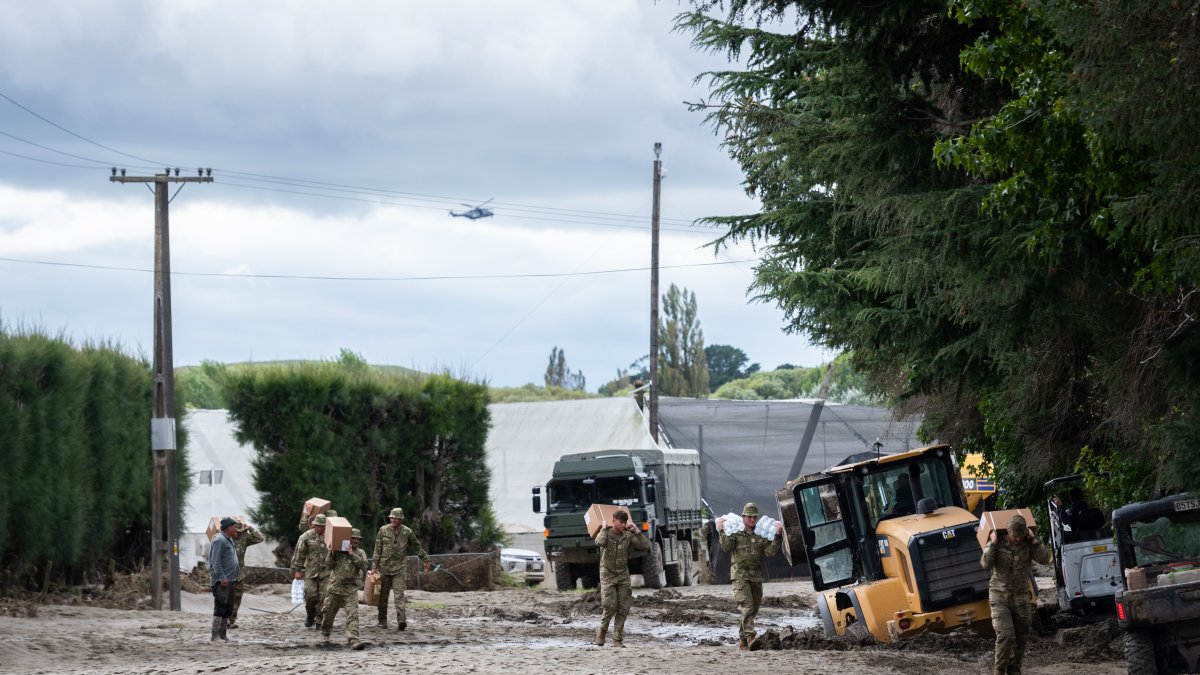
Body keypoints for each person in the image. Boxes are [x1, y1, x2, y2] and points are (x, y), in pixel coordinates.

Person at [980, 513, 1051, 675]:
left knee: (1021, 636)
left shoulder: (1028, 543)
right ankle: (999, 670)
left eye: (1021, 536)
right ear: (1008, 532)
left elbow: (1045, 559)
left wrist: (1034, 541)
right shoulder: (997, 541)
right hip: (1000, 595)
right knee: (1005, 635)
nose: (1017, 539)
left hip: (1021, 597)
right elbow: (985, 563)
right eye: (1014, 536)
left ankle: (1014, 670)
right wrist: (993, 543)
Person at [717, 502, 783, 651]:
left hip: (756, 577)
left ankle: (742, 641)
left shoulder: (762, 534)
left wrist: (778, 536)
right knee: (747, 607)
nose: (752, 520)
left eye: (754, 517)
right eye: (749, 517)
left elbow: (770, 552)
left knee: (752, 610)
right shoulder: (736, 533)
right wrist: (721, 531)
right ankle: (751, 638)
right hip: (740, 576)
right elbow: (726, 547)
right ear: (744, 517)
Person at [594, 509, 649, 647]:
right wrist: (602, 527)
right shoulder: (605, 533)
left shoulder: (628, 536)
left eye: (625, 522)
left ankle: (617, 640)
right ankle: (602, 630)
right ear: (613, 521)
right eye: (620, 522)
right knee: (610, 606)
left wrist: (637, 531)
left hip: (623, 575)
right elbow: (599, 542)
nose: (623, 525)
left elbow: (645, 546)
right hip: (607, 575)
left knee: (623, 607)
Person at [371, 507, 430, 631]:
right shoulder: (383, 530)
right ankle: (382, 620)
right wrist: (374, 567)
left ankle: (401, 620)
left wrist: (425, 559)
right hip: (384, 569)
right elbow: (377, 549)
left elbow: (417, 546)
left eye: (396, 518)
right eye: (391, 517)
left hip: (399, 569)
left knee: (399, 596)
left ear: (400, 519)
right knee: (383, 596)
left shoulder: (407, 532)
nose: (393, 519)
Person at [319, 527, 368, 650]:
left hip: (350, 590)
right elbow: (328, 565)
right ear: (348, 539)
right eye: (353, 538)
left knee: (353, 615)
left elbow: (364, 566)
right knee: (328, 614)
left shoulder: (360, 553)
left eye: (358, 539)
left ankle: (354, 640)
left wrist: (352, 555)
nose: (356, 541)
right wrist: (330, 552)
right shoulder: (337, 551)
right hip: (334, 588)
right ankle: (325, 634)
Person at [291, 513, 332, 629]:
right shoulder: (306, 536)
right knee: (311, 596)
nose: (320, 528)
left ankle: (320, 621)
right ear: (314, 525)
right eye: (318, 526)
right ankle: (310, 615)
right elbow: (299, 554)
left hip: (326, 572)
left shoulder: (330, 536)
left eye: (323, 526)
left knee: (324, 597)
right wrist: (298, 570)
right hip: (311, 572)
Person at [227, 517, 265, 629]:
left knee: (237, 597)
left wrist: (250, 528)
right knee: (226, 597)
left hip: (239, 573)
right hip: (226, 573)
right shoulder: (224, 537)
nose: (237, 534)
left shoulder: (244, 537)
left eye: (240, 531)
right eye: (236, 531)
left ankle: (232, 620)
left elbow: (260, 538)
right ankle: (223, 620)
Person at [207, 517, 240, 642]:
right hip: (222, 581)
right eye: (234, 526)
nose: (235, 529)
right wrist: (221, 577)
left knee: (228, 608)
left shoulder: (229, 539)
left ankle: (223, 634)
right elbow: (215, 562)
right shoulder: (219, 540)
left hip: (231, 579)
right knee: (220, 607)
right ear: (227, 528)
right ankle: (215, 635)